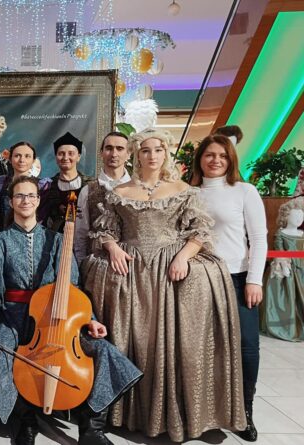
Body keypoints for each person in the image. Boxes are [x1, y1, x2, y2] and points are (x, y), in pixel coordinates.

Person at [82, 128, 246, 441]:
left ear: (166, 153)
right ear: (136, 154)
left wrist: (183, 257)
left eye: (158, 150)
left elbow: (200, 232)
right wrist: (112, 248)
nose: (152, 156)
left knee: (170, 343)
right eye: (145, 150)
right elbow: (105, 230)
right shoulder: (120, 191)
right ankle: (127, 413)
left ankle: (177, 415)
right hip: (131, 271)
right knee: (133, 341)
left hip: (170, 273)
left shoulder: (183, 189)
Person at [0, 175, 141, 445]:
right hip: (13, 317)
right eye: (20, 196)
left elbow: (73, 288)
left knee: (104, 351)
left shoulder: (56, 240)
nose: (25, 200)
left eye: (31, 195)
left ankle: (91, 428)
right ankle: (24, 423)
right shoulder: (0, 242)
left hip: (56, 319)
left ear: (38, 200)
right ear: (11, 202)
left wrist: (90, 320)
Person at [190, 133, 268, 441]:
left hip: (237, 277)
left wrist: (254, 279)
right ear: (200, 158)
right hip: (199, 279)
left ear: (231, 159)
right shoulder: (189, 192)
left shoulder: (244, 191)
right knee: (202, 348)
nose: (216, 160)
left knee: (247, 346)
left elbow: (258, 238)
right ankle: (205, 411)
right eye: (210, 154)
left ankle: (245, 413)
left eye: (222, 155)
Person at [74, 132, 131, 262]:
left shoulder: (138, 189)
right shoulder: (87, 190)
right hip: (97, 264)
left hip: (132, 262)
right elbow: (80, 233)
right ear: (101, 153)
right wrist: (81, 264)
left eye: (120, 148)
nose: (114, 154)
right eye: (109, 148)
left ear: (128, 154)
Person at [263, 200, 304, 342]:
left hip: (302, 267)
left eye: (301, 216)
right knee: (289, 295)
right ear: (286, 217)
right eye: (295, 216)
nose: (299, 219)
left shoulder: (302, 234)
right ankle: (288, 325)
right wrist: (284, 264)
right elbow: (279, 250)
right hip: (288, 267)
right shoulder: (281, 233)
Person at [38, 132, 93, 233]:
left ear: (79, 157)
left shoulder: (91, 185)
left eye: (71, 153)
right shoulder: (47, 186)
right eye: (61, 154)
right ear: (56, 157)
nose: (65, 158)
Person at [0, 141, 38, 231]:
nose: (22, 160)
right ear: (10, 159)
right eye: (17, 156)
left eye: (27, 156)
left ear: (33, 160)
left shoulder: (41, 185)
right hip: (2, 232)